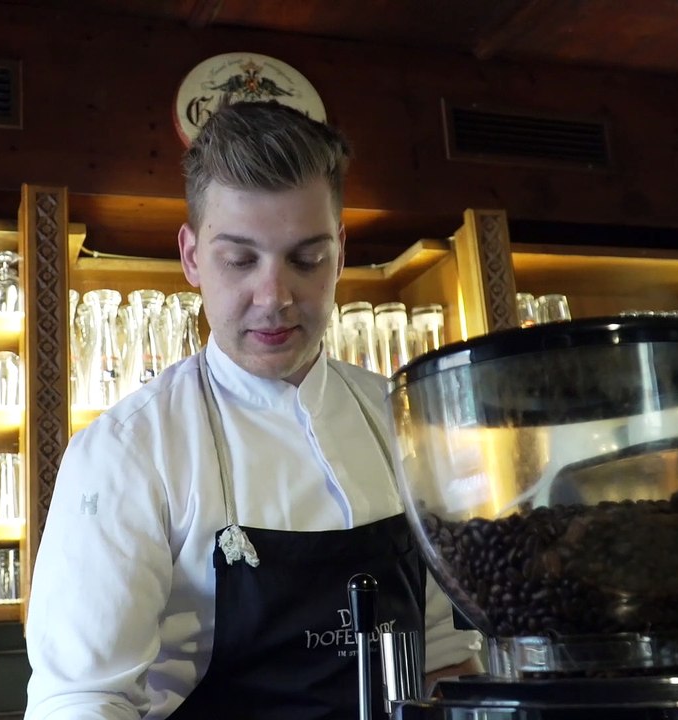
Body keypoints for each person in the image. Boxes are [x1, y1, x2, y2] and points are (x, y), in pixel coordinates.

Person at [25, 100, 482, 719]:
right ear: (191, 257)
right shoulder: (128, 451)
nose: (275, 297)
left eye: (306, 258)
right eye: (240, 260)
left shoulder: (403, 419)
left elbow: (444, 659)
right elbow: (82, 700)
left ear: (341, 253)